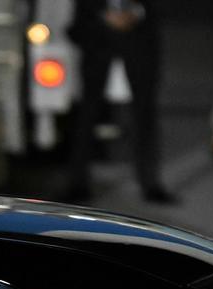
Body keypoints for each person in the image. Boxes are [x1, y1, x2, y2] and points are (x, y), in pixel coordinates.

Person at [65, 0, 174, 204]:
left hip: (139, 47)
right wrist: (104, 15)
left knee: (144, 118)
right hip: (98, 46)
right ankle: (77, 183)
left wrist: (136, 12)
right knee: (85, 119)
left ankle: (150, 184)